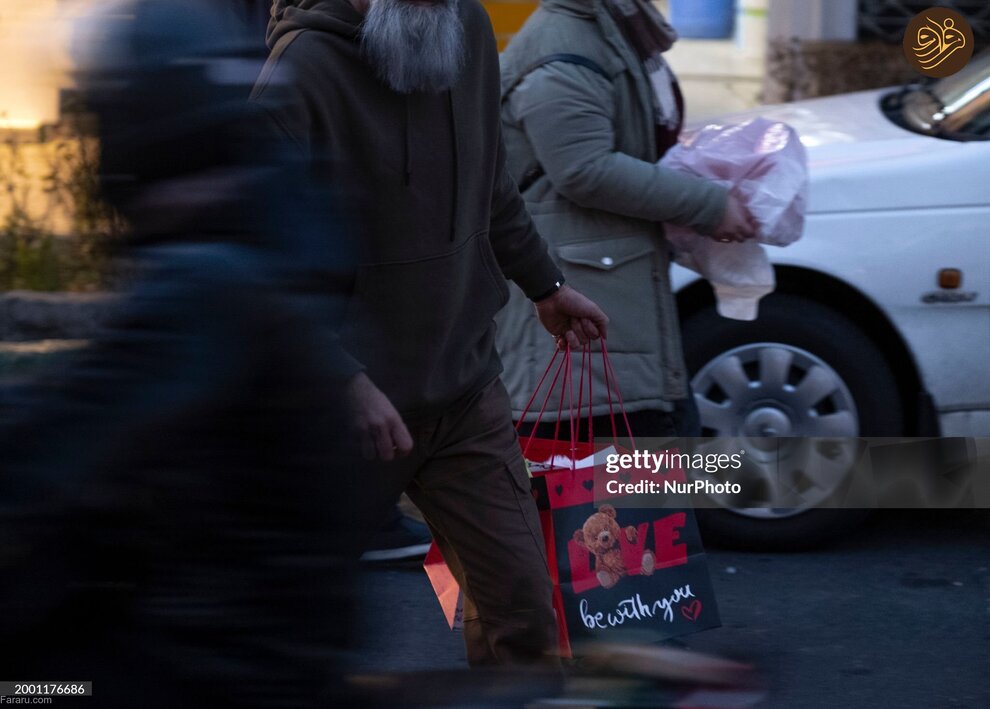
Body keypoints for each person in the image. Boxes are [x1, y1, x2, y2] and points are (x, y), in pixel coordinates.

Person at [0, 1, 362, 705]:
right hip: (269, 646)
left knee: (26, 690)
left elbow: (53, 437)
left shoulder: (205, 286)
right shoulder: (277, 248)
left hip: (206, 666)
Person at [252, 0, 610, 666]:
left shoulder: (464, 27)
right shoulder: (299, 74)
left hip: (464, 388)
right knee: (290, 638)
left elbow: (488, 177)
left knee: (524, 614)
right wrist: (342, 380)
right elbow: (253, 265)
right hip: (343, 419)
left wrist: (545, 283)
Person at [496, 0, 757, 440]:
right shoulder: (565, 46)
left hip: (610, 306)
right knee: (614, 496)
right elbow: (583, 168)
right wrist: (709, 205)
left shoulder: (606, 29)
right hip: (584, 333)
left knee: (657, 487)